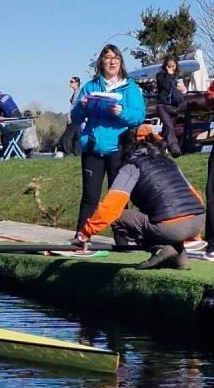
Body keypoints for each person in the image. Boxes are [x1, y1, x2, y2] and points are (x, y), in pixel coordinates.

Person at [71, 125, 204, 269]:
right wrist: (194, 233)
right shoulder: (169, 162)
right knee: (156, 213)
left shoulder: (132, 166)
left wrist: (83, 235)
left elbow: (110, 208)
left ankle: (159, 248)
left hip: (171, 228)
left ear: (126, 146)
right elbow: (196, 197)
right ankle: (179, 256)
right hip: (198, 221)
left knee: (117, 217)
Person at [71, 44, 146, 236]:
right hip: (93, 148)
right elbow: (76, 118)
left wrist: (122, 112)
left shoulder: (130, 88)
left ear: (121, 63)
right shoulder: (90, 86)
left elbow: (139, 116)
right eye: (107, 58)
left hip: (118, 149)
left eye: (116, 58)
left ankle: (123, 240)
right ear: (101, 62)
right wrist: (83, 106)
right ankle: (81, 237)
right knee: (90, 197)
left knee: (118, 197)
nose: (112, 61)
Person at [155, 54, 186, 157]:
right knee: (169, 127)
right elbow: (165, 87)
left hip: (174, 106)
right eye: (169, 66)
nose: (171, 68)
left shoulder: (178, 77)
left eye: (173, 66)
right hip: (162, 106)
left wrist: (183, 89)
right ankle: (174, 148)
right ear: (165, 65)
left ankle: (160, 149)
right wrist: (168, 75)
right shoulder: (160, 76)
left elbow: (182, 91)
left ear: (176, 66)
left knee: (167, 129)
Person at [59, 77, 82, 156]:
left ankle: (67, 152)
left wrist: (70, 116)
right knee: (77, 136)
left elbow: (74, 105)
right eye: (70, 81)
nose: (70, 83)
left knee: (66, 137)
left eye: (72, 81)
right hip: (78, 117)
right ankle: (77, 152)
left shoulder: (77, 92)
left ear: (77, 83)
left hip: (75, 116)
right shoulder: (76, 92)